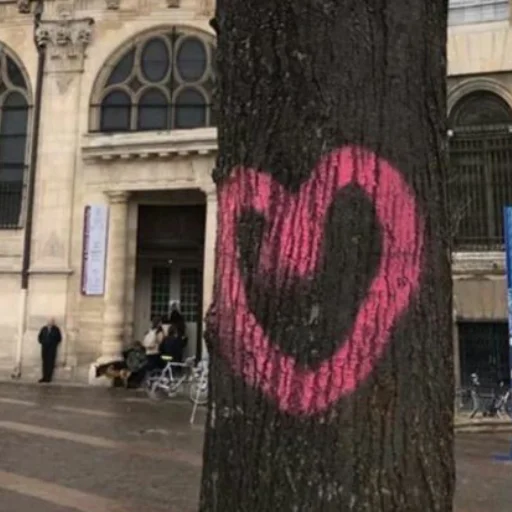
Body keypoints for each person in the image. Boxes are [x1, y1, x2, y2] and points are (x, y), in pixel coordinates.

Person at [37, 317, 62, 383]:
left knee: (50, 363)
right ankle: (44, 377)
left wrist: (54, 344)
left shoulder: (56, 329)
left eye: (51, 321)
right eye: (49, 321)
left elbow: (59, 338)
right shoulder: (44, 329)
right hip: (44, 348)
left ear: (53, 322)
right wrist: (43, 342)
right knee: (44, 362)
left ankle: (48, 377)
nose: (50, 323)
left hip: (52, 349)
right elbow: (39, 337)